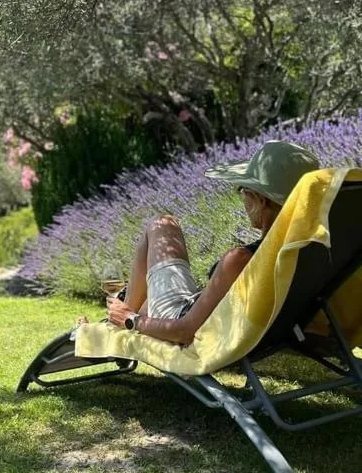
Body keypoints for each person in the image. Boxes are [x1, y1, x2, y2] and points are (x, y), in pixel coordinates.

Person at [79, 140, 319, 345]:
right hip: (257, 333)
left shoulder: (241, 260)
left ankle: (117, 320)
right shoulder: (314, 250)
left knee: (162, 224)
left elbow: (185, 331)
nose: (242, 197)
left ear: (260, 201)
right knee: (146, 301)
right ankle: (119, 314)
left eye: (242, 189)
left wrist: (131, 319)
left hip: (184, 322)